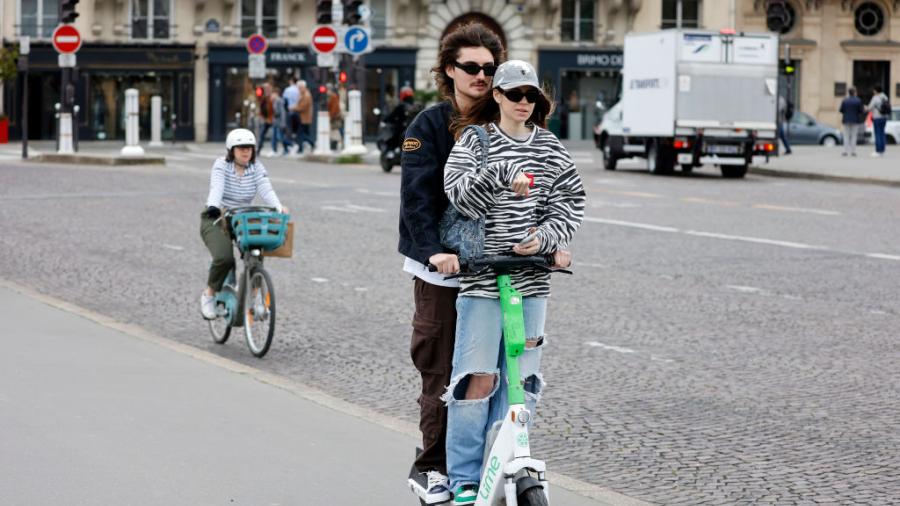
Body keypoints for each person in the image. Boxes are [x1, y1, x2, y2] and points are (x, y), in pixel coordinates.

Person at [442, 59, 585, 505]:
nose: (525, 103)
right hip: (484, 277)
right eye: (516, 95)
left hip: (531, 280)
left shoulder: (549, 146)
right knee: (478, 380)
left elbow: (571, 199)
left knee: (522, 380)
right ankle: (464, 477)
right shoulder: (475, 141)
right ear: (498, 97)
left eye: (532, 97)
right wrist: (503, 175)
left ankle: (502, 463)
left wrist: (546, 238)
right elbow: (459, 195)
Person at [398, 23, 506, 505]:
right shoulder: (428, 125)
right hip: (441, 270)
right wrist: (432, 252)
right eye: (471, 67)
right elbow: (416, 200)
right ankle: (431, 468)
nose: (481, 76)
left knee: (493, 371)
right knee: (441, 369)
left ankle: (485, 465)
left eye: (489, 68)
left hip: (496, 266)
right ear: (449, 70)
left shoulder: (507, 118)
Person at [199, 129, 288, 320]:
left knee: (256, 252)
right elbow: (217, 187)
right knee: (224, 258)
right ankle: (208, 294)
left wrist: (278, 207)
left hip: (243, 220)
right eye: (241, 148)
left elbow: (266, 189)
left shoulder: (256, 167)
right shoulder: (221, 165)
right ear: (231, 150)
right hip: (217, 218)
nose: (246, 152)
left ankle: (254, 298)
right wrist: (214, 206)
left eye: (249, 148)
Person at [838, 87, 864, 157]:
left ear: (848, 93)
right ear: (854, 92)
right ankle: (853, 151)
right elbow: (861, 111)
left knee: (846, 136)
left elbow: (841, 110)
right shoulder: (858, 100)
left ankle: (845, 151)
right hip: (855, 120)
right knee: (854, 136)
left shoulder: (845, 100)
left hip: (846, 120)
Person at [293, 80, 316, 153]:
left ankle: (309, 144)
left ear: (303, 87)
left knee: (302, 134)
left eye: (300, 88)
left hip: (304, 118)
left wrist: (293, 108)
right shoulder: (303, 94)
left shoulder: (306, 95)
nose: (299, 89)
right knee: (304, 134)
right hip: (303, 117)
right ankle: (302, 147)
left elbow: (302, 107)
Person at [271, 87, 294, 156]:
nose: (272, 96)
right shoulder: (275, 101)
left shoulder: (279, 101)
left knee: (280, 137)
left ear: (276, 94)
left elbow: (282, 112)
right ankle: (284, 150)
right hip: (276, 122)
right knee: (276, 137)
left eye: (273, 94)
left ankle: (291, 144)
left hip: (279, 122)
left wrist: (283, 123)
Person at [867, 85, 890, 157]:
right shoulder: (885, 97)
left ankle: (878, 151)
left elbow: (870, 107)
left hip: (877, 117)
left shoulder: (875, 98)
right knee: (882, 133)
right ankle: (882, 150)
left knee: (877, 134)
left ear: (876, 90)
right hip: (884, 117)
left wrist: (866, 108)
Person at [282, 77, 301, 155]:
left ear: (291, 81)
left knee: (289, 130)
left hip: (289, 111)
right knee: (296, 131)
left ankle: (291, 145)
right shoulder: (298, 90)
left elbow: (285, 101)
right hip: (297, 112)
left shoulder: (287, 90)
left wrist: (287, 109)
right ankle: (295, 144)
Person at [256, 83, 274, 154]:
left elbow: (273, 109)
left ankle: (274, 149)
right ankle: (259, 148)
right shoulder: (263, 98)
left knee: (276, 134)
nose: (266, 90)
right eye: (265, 88)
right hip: (265, 119)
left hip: (271, 119)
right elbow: (261, 107)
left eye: (267, 88)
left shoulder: (272, 98)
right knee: (262, 134)